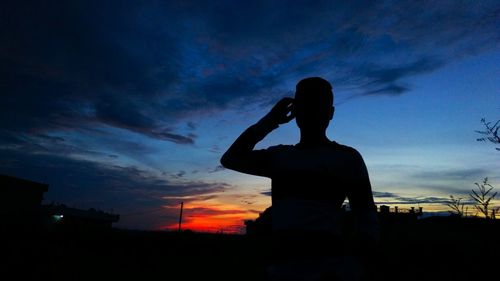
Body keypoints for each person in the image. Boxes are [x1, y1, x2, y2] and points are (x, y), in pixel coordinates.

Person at [221, 77, 379, 281]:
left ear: (330, 113)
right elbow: (231, 159)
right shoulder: (279, 157)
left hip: (332, 272)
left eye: (317, 104)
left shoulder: (347, 158)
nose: (311, 110)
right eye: (305, 103)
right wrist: (270, 120)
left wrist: (357, 265)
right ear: (296, 112)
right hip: (283, 272)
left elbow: (366, 218)